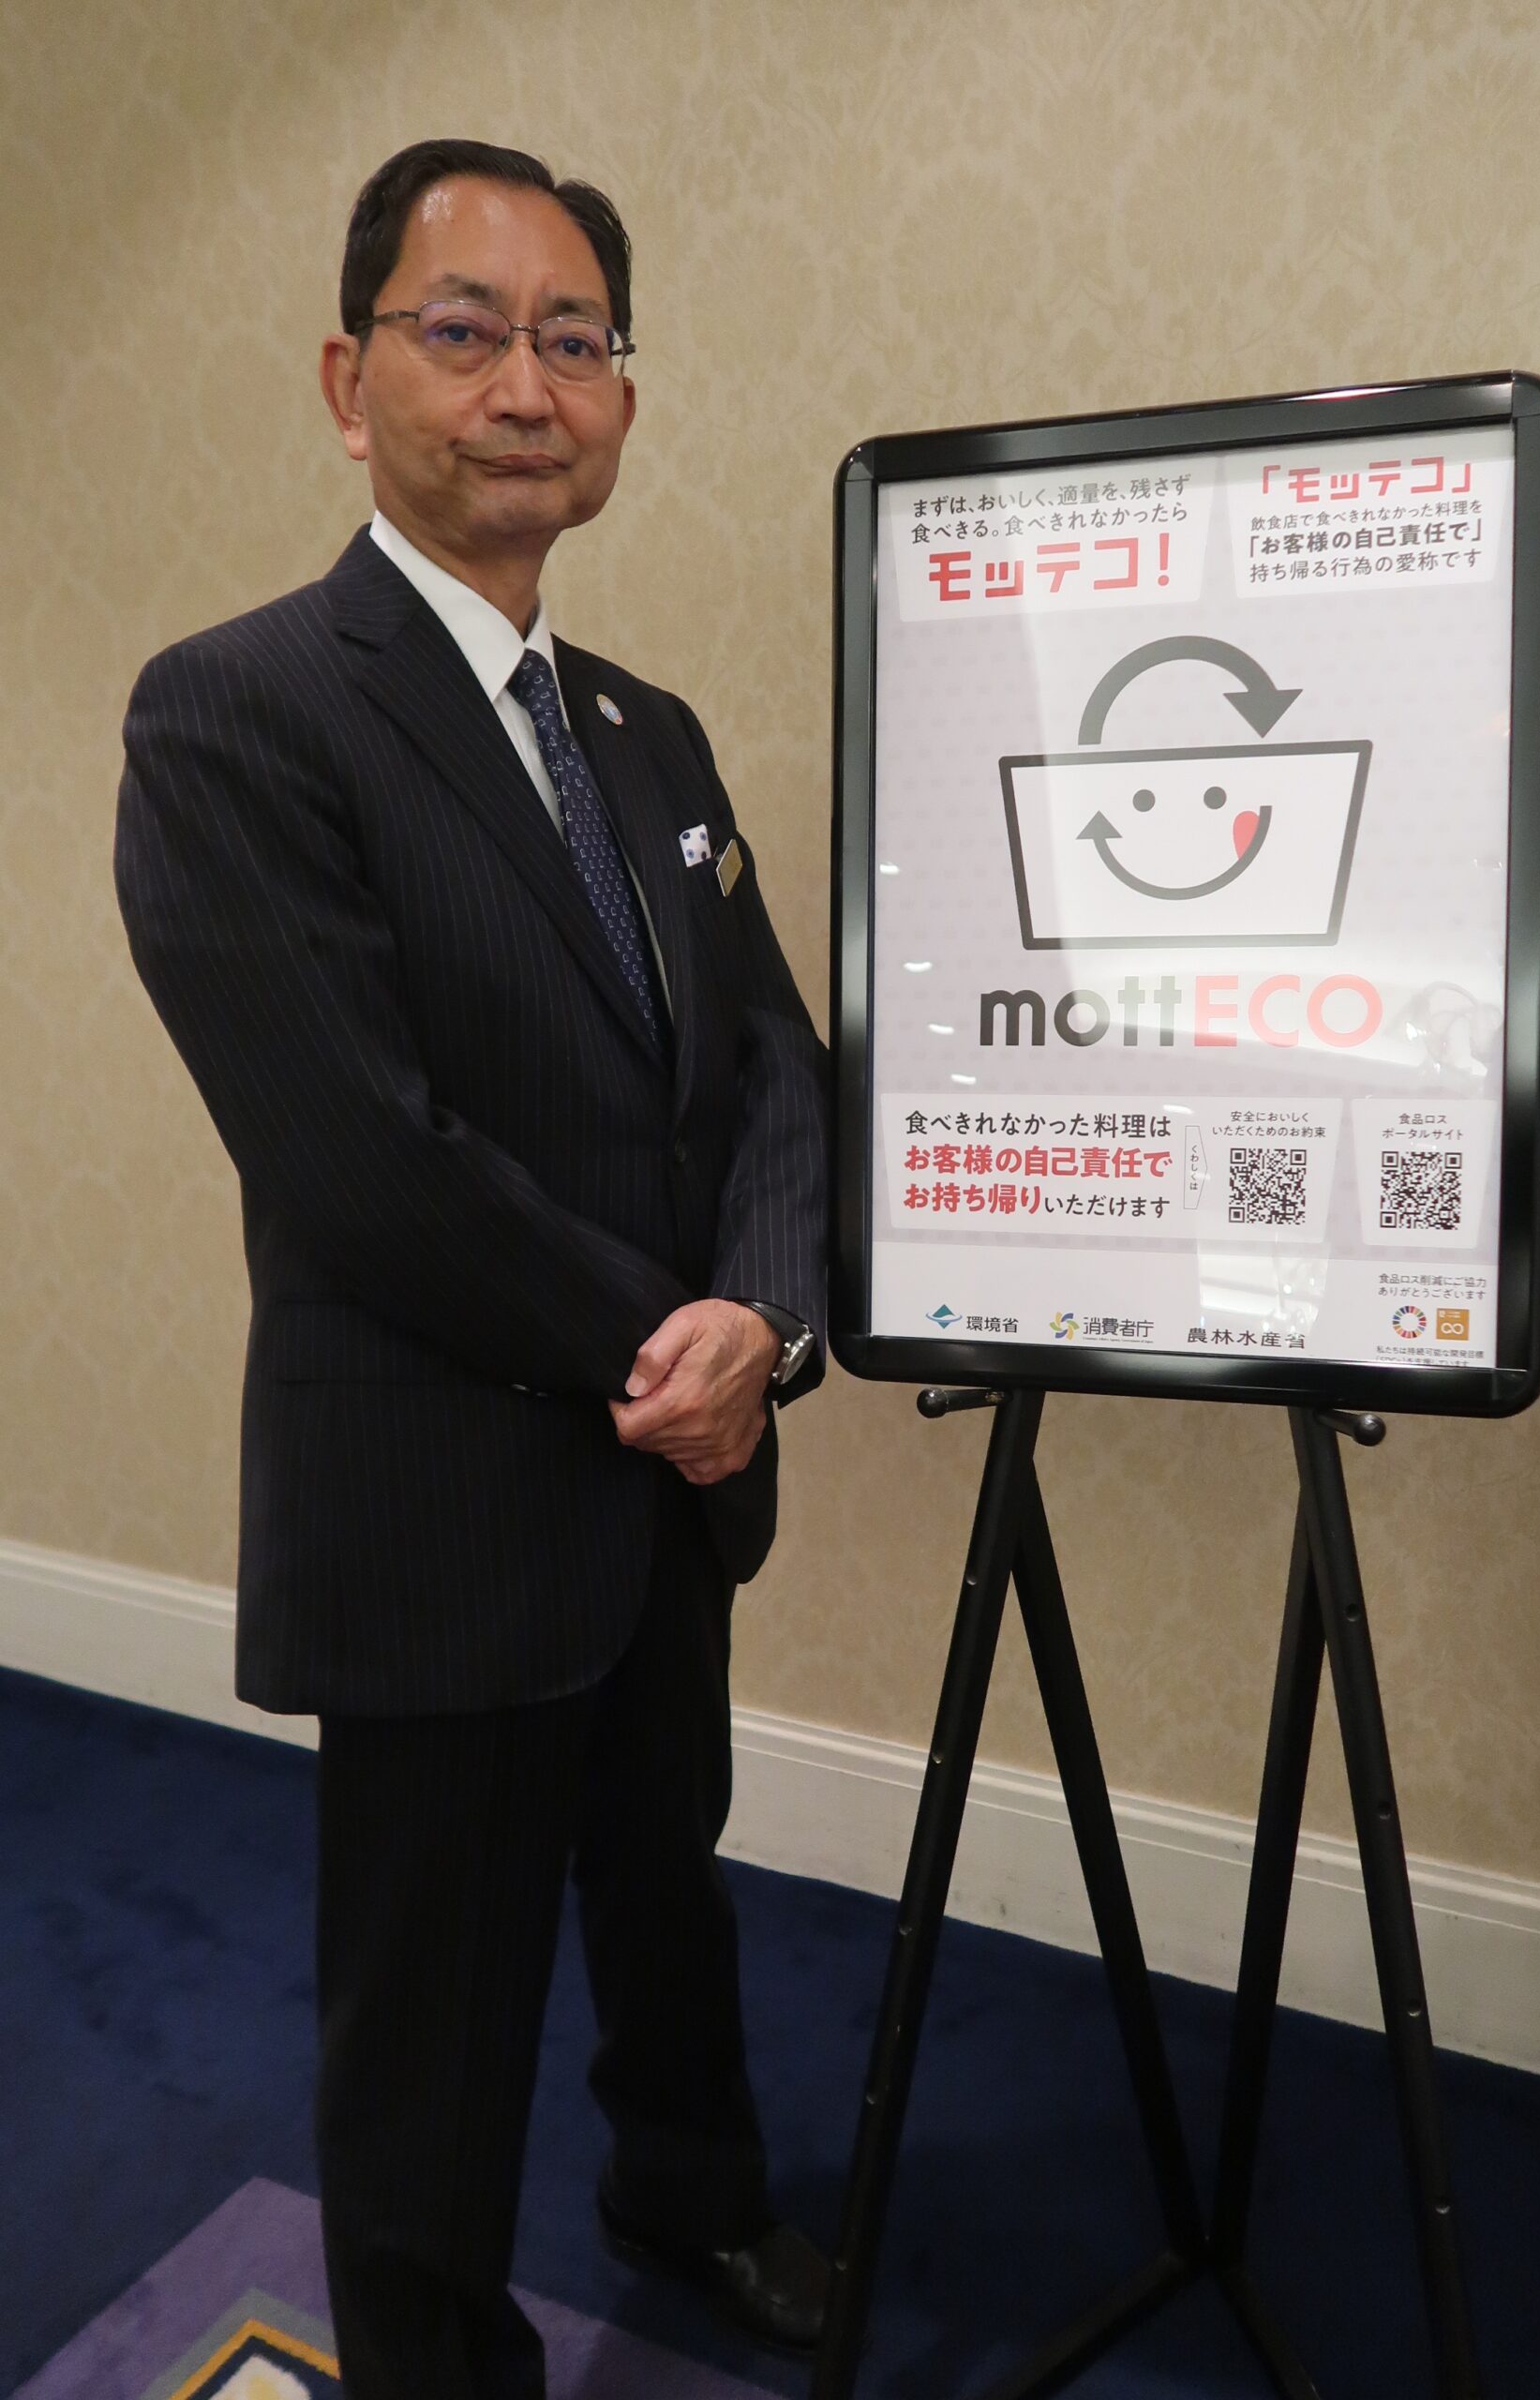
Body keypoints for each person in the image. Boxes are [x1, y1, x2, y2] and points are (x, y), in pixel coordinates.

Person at [114, 138, 830, 2398]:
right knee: (431, 2003)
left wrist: (766, 1319)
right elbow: (363, 1158)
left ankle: (687, 2189)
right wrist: (670, 1347)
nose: (528, 385)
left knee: (666, 1875)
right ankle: (432, 2355)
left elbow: (773, 1071)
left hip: (671, 1466)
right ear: (352, 383)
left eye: (575, 339)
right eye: (466, 330)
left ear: (620, 393)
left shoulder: (647, 733)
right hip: (443, 1490)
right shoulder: (236, 710)